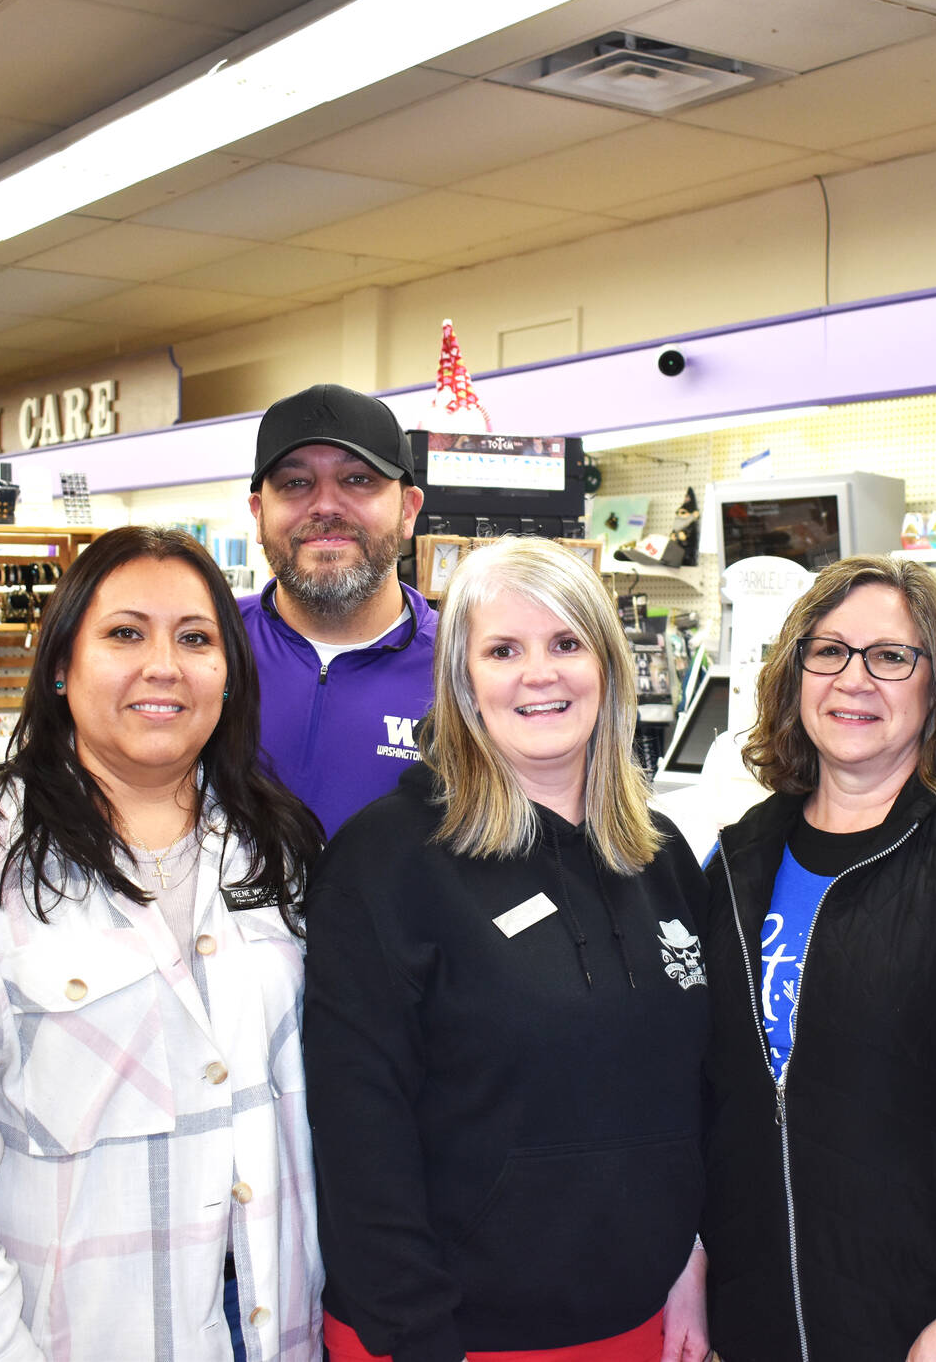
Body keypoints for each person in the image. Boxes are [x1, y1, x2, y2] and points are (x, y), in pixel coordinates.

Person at [0, 526, 327, 1361]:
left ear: (228, 674)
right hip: (84, 1330)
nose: (165, 664)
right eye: (125, 633)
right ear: (59, 664)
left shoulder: (275, 845)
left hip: (272, 1315)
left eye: (195, 638)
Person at [305, 535, 711, 1362]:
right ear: (463, 680)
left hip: (640, 1321)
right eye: (503, 649)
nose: (540, 673)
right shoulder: (389, 859)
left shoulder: (661, 856)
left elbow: (696, 1092)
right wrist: (413, 1337)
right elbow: (357, 1130)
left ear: (607, 665)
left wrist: (691, 1261)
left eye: (566, 643)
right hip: (446, 1334)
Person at [702, 556, 936, 1362]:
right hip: (757, 1317)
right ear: (793, 670)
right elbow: (696, 1096)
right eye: (829, 650)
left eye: (890, 656)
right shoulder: (735, 861)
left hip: (930, 1328)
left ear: (935, 683)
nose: (855, 679)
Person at [243, 382, 436, 836]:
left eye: (358, 479)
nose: (325, 505)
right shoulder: (204, 644)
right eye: (295, 483)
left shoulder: (466, 667)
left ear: (408, 510)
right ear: (258, 515)